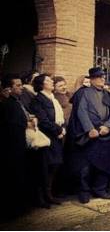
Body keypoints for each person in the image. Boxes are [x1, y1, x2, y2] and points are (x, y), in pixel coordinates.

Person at [68, 67, 110, 204]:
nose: (103, 79)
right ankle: (84, 191)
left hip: (104, 134)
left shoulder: (108, 94)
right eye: (99, 77)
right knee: (85, 167)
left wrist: (108, 126)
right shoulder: (83, 93)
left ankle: (100, 189)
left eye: (103, 76)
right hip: (89, 135)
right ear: (91, 79)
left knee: (104, 163)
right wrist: (89, 129)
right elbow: (81, 112)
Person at [30, 74, 66, 207]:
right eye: (48, 80)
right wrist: (58, 130)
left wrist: (62, 129)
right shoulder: (38, 100)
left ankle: (49, 194)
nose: (51, 82)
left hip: (57, 137)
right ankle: (41, 198)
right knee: (44, 168)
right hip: (47, 138)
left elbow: (60, 118)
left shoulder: (53, 99)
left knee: (54, 166)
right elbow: (44, 120)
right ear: (41, 84)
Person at [0, 75, 33, 217]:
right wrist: (26, 124)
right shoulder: (8, 104)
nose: (21, 88)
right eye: (18, 86)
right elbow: (12, 125)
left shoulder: (16, 102)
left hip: (19, 145)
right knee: (13, 177)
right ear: (9, 88)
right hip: (11, 147)